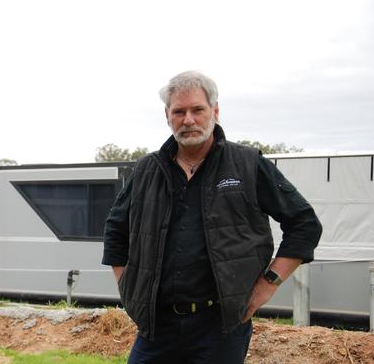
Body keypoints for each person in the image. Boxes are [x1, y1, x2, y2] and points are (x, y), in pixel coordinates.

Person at [102, 70, 322, 363]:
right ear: (167, 115)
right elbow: (115, 231)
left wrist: (267, 285)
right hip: (157, 327)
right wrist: (129, 288)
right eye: (179, 111)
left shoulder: (246, 164)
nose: (188, 119)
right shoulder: (146, 170)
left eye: (197, 110)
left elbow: (304, 224)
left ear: (215, 111)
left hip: (221, 327)